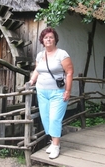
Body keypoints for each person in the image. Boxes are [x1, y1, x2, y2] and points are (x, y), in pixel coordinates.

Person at [29, 27, 74, 159]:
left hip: (58, 92)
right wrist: (32, 80)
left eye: (51, 37)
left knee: (55, 118)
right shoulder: (40, 55)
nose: (48, 39)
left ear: (55, 40)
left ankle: (56, 145)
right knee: (46, 118)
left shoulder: (62, 54)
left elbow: (70, 72)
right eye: (46, 37)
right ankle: (52, 142)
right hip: (42, 91)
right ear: (42, 40)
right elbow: (37, 69)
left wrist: (68, 91)